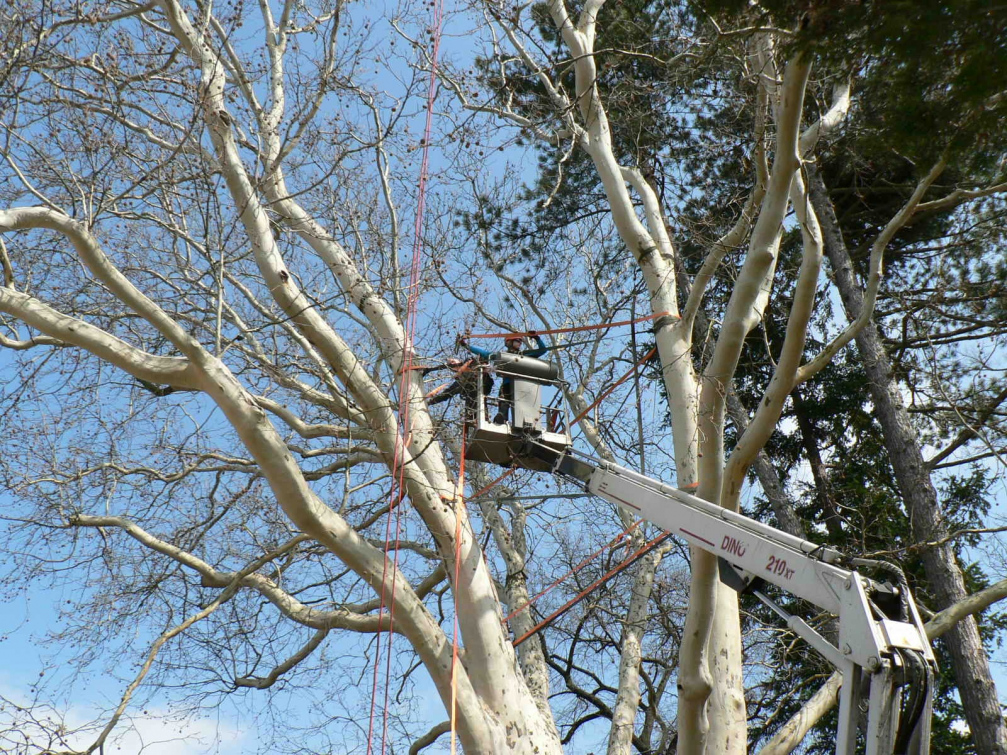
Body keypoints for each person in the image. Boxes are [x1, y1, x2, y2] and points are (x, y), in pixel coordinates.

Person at [459, 332, 547, 424]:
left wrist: (536, 338)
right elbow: (485, 353)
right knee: (503, 399)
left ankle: (524, 422)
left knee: (521, 404)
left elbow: (542, 350)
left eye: (521, 341)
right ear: (509, 342)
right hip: (507, 384)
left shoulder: (524, 356)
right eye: (517, 340)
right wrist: (466, 345)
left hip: (521, 385)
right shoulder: (503, 357)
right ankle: (501, 418)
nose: (520, 343)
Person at [424, 357, 493, 422]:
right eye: (451, 364)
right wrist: (430, 402)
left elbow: (481, 360)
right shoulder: (459, 382)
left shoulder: (470, 361)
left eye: (453, 361)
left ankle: (482, 418)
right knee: (471, 403)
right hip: (472, 392)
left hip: (484, 383)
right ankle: (475, 419)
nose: (453, 363)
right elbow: (446, 394)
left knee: (476, 396)